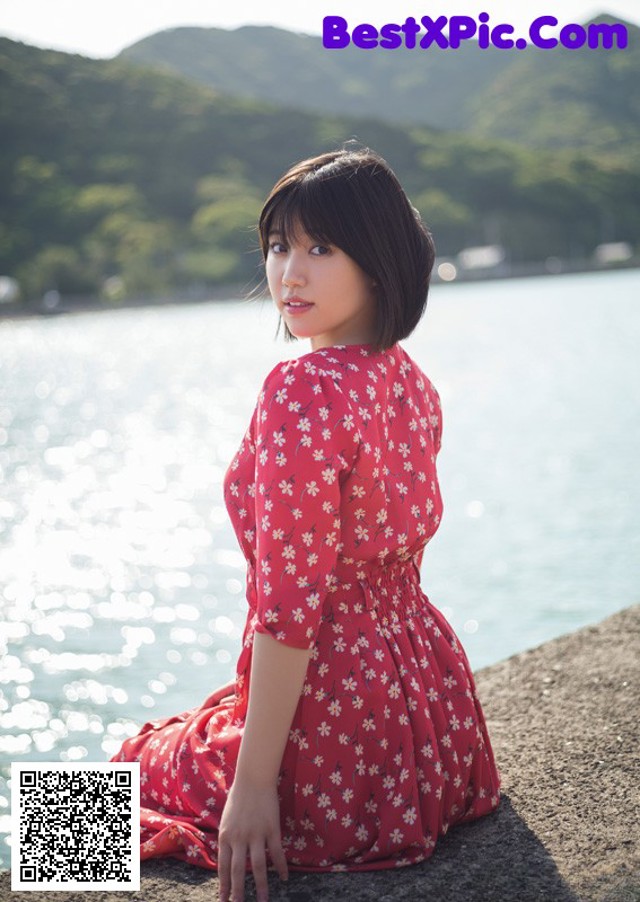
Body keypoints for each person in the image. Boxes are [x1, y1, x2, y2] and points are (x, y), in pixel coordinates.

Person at [109, 146, 502, 902]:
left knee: (113, 774)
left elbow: (292, 610)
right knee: (186, 734)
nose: (289, 272)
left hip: (337, 733)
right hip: (435, 724)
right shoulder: (408, 381)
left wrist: (254, 787)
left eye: (321, 248)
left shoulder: (303, 389)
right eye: (280, 245)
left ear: (378, 258)